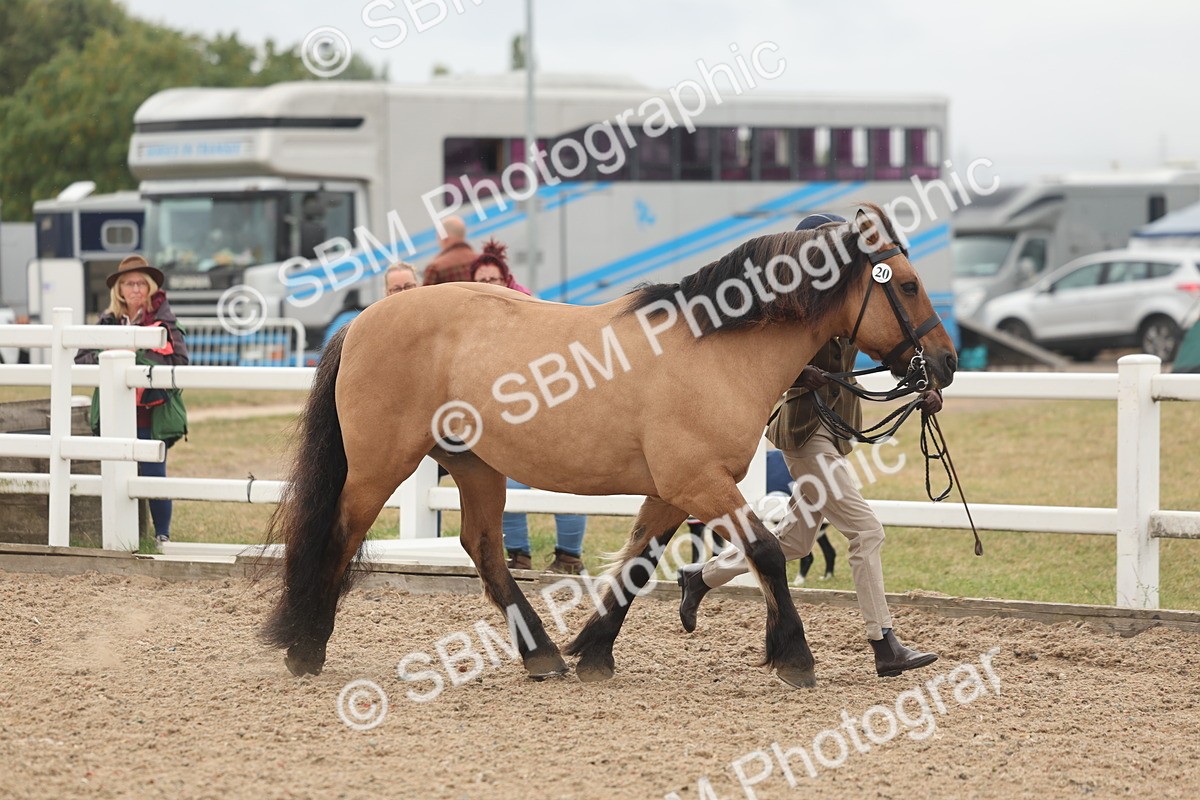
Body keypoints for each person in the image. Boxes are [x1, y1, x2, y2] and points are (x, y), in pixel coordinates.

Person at [677, 213, 943, 678]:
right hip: (805, 435)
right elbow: (763, 360)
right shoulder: (796, 307)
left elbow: (887, 343)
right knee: (866, 532)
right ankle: (884, 643)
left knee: (795, 543)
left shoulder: (851, 303)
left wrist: (920, 382)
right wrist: (804, 374)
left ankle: (700, 576)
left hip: (833, 434)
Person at [469, 241, 587, 572]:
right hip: (507, 419)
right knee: (509, 486)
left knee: (568, 481)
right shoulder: (472, 327)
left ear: (506, 281)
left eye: (493, 280)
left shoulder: (531, 313)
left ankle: (569, 557)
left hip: (549, 414)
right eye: (480, 280)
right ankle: (518, 556)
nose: (487, 286)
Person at [75, 255, 189, 545]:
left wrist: (135, 352)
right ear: (119, 290)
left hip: (152, 413)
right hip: (115, 413)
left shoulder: (165, 321)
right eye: (128, 283)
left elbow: (179, 361)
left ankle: (162, 535)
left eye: (140, 283)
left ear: (150, 287)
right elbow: (81, 359)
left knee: (153, 474)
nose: (135, 288)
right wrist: (110, 354)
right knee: (115, 474)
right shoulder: (107, 321)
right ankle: (119, 536)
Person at [321, 262, 419, 351]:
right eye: (397, 289)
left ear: (418, 286)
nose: (404, 292)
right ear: (386, 292)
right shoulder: (376, 325)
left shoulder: (430, 317)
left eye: (408, 286)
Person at [422, 215, 477, 285]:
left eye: (438, 237)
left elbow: (425, 295)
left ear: (445, 238)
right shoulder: (481, 261)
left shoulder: (434, 268)